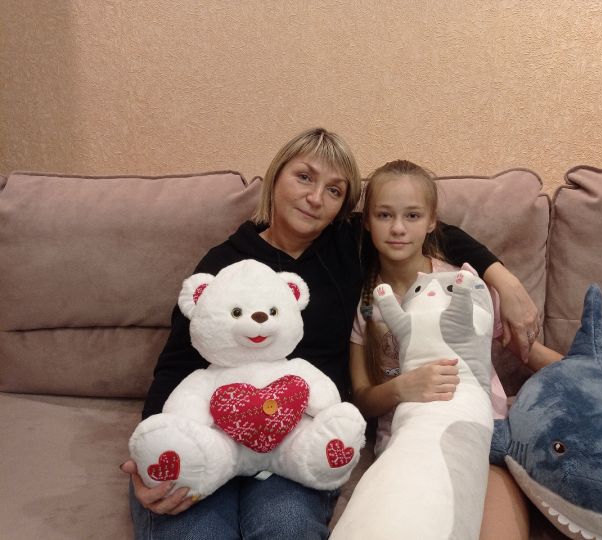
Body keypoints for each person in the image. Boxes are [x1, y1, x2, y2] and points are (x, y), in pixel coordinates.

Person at [121, 128, 543, 539]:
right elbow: (176, 365)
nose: (315, 198)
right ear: (276, 177)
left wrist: (503, 281)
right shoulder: (225, 263)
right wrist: (149, 456)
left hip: (300, 435)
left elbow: (431, 230)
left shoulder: (348, 243)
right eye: (304, 177)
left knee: (286, 528)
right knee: (195, 530)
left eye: (334, 190)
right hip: (211, 429)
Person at [349, 159, 562, 539]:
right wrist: (402, 388)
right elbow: (363, 397)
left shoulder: (463, 285)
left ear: (432, 221)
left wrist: (589, 373)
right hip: (408, 440)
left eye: (412, 215)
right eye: (384, 215)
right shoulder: (368, 303)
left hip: (482, 432)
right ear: (367, 222)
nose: (397, 228)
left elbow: (526, 352)